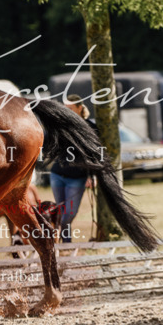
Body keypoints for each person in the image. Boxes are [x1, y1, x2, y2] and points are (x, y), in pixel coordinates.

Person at [50, 95, 93, 244]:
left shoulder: (90, 127)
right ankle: (66, 245)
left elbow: (94, 155)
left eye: (70, 109)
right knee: (61, 212)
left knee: (68, 214)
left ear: (79, 108)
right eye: (65, 109)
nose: (66, 112)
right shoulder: (62, 127)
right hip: (57, 175)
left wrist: (92, 176)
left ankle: (63, 242)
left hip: (77, 177)